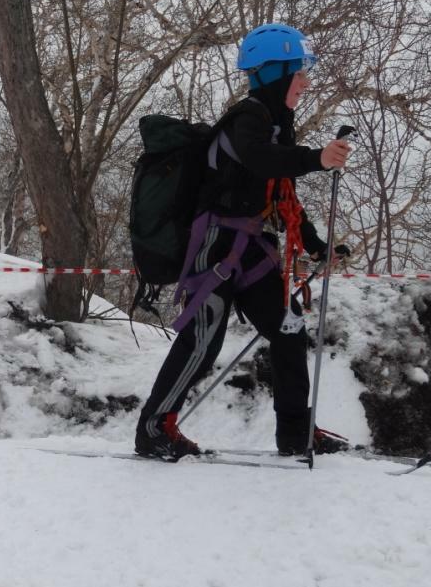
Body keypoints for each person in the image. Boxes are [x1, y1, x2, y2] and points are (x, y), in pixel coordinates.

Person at [134, 23, 353, 460]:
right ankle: (154, 430)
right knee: (203, 338)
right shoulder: (247, 118)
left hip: (251, 247)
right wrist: (317, 158)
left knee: (289, 330)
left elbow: (284, 194)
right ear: (276, 73)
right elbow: (259, 159)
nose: (306, 83)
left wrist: (315, 246)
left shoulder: (276, 126)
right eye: (299, 73)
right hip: (214, 244)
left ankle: (295, 432)